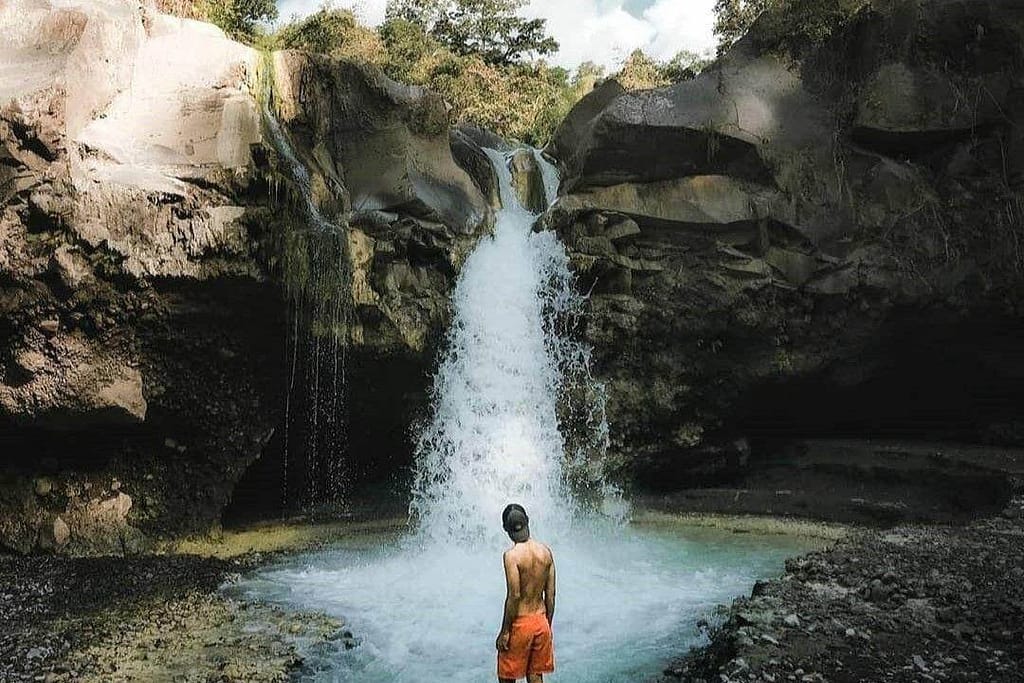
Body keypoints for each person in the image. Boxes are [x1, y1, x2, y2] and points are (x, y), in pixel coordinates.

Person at [495, 504, 556, 683]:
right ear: (528, 521)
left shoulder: (511, 556)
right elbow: (551, 596)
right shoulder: (546, 552)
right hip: (541, 622)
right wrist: (547, 624)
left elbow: (514, 595)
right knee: (535, 675)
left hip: (521, 625)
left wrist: (505, 631)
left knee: (507, 676)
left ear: (506, 529)